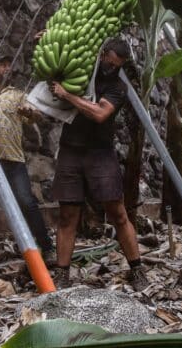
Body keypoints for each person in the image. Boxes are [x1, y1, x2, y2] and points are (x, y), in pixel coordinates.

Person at [48, 37, 149, 290]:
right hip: (70, 150)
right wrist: (47, 39)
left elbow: (100, 113)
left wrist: (67, 95)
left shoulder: (117, 87)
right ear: (102, 54)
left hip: (100, 153)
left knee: (118, 213)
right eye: (109, 62)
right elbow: (51, 67)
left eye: (117, 66)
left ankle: (137, 269)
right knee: (67, 215)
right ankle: (62, 273)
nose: (111, 68)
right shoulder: (80, 72)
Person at [0, 55, 53, 258]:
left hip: (13, 159)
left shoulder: (18, 95)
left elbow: (38, 117)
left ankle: (47, 247)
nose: (7, 68)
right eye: (2, 65)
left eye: (9, 65)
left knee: (27, 203)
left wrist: (30, 113)